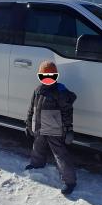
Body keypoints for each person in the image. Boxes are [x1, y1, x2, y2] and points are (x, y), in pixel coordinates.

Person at [25, 60, 77, 195]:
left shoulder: (60, 92)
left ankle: (69, 180)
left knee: (60, 155)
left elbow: (67, 112)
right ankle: (37, 163)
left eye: (51, 76)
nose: (47, 79)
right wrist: (28, 123)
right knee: (37, 147)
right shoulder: (37, 90)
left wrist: (68, 129)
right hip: (40, 127)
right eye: (44, 75)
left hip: (54, 129)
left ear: (56, 76)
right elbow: (32, 109)